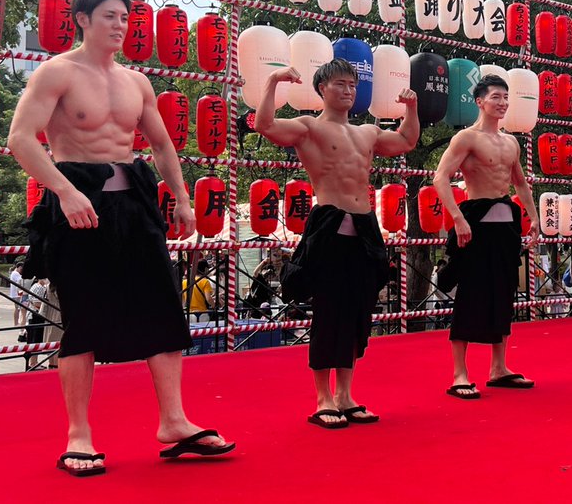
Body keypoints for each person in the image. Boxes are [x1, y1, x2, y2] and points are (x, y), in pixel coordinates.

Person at [8, 0, 234, 477]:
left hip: (134, 203)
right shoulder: (56, 72)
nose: (120, 26)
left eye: (125, 18)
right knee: (84, 316)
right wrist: (64, 191)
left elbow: (162, 145)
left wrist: (181, 198)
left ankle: (174, 421)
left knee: (163, 306)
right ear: (83, 19)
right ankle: (79, 434)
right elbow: (20, 139)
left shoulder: (137, 82)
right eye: (110, 16)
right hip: (79, 204)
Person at [255, 58, 419, 428]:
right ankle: (323, 398)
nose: (348, 90)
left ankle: (345, 395)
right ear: (322, 89)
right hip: (330, 225)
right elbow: (265, 125)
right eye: (340, 84)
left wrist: (411, 108)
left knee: (358, 313)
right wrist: (272, 81)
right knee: (328, 312)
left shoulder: (368, 132)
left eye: (352, 85)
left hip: (364, 228)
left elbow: (407, 141)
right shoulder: (309, 127)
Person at [434, 74, 540, 400]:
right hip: (474, 221)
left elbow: (520, 183)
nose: (502, 103)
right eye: (496, 96)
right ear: (479, 101)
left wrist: (534, 216)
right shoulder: (466, 138)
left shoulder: (511, 143)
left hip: (505, 225)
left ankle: (499, 368)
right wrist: (458, 218)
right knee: (471, 293)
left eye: (506, 97)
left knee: (503, 292)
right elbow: (440, 177)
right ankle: (459, 373)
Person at [26, 276, 51, 369]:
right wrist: (47, 306)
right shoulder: (39, 287)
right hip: (35, 316)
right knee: (35, 339)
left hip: (33, 315)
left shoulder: (37, 286)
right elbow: (36, 303)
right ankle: (33, 363)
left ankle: (34, 362)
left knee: (34, 340)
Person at [183, 259, 218, 324]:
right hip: (202, 313)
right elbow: (208, 298)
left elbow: (183, 300)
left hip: (189, 314)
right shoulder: (205, 281)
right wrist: (214, 306)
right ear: (205, 269)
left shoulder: (185, 282)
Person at [9, 261, 29, 332]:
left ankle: (17, 323)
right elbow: (21, 280)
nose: (22, 270)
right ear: (19, 267)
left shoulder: (14, 273)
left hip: (16, 293)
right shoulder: (16, 274)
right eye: (21, 269)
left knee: (18, 309)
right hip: (17, 294)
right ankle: (16, 323)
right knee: (17, 308)